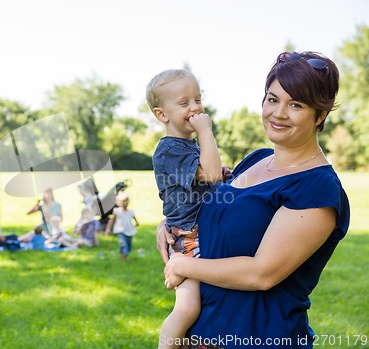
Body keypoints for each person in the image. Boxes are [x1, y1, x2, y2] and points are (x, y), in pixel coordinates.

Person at [159, 51, 350, 349]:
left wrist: (184, 266)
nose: (279, 113)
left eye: (296, 104)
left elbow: (262, 274)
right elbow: (212, 210)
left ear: (320, 116)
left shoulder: (316, 186)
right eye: (273, 99)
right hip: (200, 337)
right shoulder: (255, 160)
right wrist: (168, 225)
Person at [147, 68, 222, 349]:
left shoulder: (187, 147)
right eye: (184, 103)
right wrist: (206, 130)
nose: (195, 107)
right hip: (187, 236)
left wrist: (220, 172)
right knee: (188, 307)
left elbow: (212, 176)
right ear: (161, 115)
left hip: (200, 232)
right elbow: (211, 174)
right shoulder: (170, 150)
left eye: (198, 99)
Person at [105, 192, 139, 261]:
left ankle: (125, 254)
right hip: (120, 230)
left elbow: (133, 218)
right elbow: (111, 220)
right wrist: (108, 229)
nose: (124, 203)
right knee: (123, 244)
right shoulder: (117, 211)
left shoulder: (131, 211)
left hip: (129, 230)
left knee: (129, 247)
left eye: (125, 201)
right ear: (118, 202)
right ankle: (122, 260)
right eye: (122, 201)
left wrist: (136, 223)